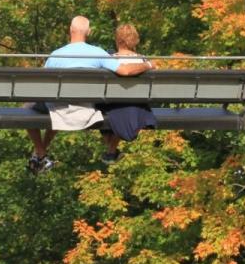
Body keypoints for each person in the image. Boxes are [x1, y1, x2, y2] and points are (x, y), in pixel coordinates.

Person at [26, 15, 153, 173]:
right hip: (87, 107)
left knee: (29, 107)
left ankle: (40, 150)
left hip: (59, 107)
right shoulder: (98, 53)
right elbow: (125, 70)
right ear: (89, 32)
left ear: (70, 30)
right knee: (55, 106)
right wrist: (147, 64)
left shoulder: (56, 55)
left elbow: (43, 86)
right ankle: (40, 152)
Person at [97, 23, 159, 163]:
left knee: (109, 111)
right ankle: (111, 151)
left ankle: (111, 150)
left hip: (111, 105)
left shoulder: (109, 60)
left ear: (117, 40)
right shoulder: (144, 61)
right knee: (130, 111)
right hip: (136, 105)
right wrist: (150, 65)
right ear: (135, 40)